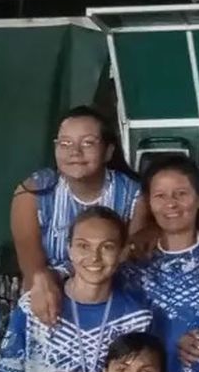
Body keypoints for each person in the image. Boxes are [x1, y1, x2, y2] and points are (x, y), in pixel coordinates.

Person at [0, 206, 167, 372]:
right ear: (69, 250)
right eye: (83, 246)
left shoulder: (139, 318)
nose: (94, 257)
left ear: (122, 253)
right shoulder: (33, 306)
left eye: (107, 247)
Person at [10, 106, 143, 329]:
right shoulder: (31, 193)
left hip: (111, 295)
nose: (75, 152)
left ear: (108, 151)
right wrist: (46, 283)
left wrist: (65, 275)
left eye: (88, 143)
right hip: (51, 296)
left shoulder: (134, 195)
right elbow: (33, 269)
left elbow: (127, 263)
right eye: (65, 143)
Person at [119, 154, 199, 372]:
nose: (171, 204)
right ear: (149, 203)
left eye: (181, 194)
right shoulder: (133, 268)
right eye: (160, 196)